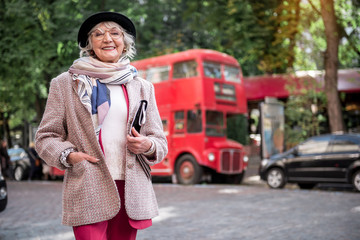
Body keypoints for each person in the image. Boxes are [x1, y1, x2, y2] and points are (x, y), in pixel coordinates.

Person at [35, 12, 168, 240]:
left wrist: (147, 145)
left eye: (114, 33)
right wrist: (70, 155)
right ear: (89, 44)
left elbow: (159, 142)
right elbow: (46, 136)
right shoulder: (65, 84)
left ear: (124, 43)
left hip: (131, 189)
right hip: (88, 185)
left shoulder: (142, 87)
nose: (107, 39)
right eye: (98, 34)